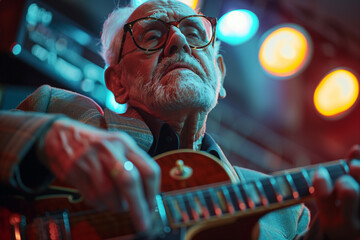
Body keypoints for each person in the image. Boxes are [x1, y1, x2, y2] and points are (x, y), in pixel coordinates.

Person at [0, 0, 359, 239]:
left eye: (194, 35)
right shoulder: (59, 113)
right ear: (117, 83)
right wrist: (46, 137)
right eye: (153, 36)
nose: (177, 42)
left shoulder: (288, 217)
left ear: (218, 79)